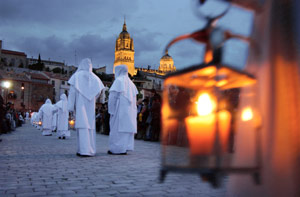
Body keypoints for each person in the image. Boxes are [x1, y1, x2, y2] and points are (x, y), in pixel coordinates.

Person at [68, 58, 104, 157]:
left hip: (80, 106)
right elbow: (99, 93)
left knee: (82, 127)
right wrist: (93, 99)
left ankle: (83, 150)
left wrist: (70, 107)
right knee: (91, 129)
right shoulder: (96, 79)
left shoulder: (76, 76)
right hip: (90, 106)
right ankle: (91, 150)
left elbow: (72, 93)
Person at [108, 64, 138, 155]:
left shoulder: (118, 81)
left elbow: (112, 97)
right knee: (126, 129)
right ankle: (124, 147)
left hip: (119, 109)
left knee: (117, 130)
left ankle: (117, 149)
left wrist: (111, 110)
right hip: (130, 112)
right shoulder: (132, 84)